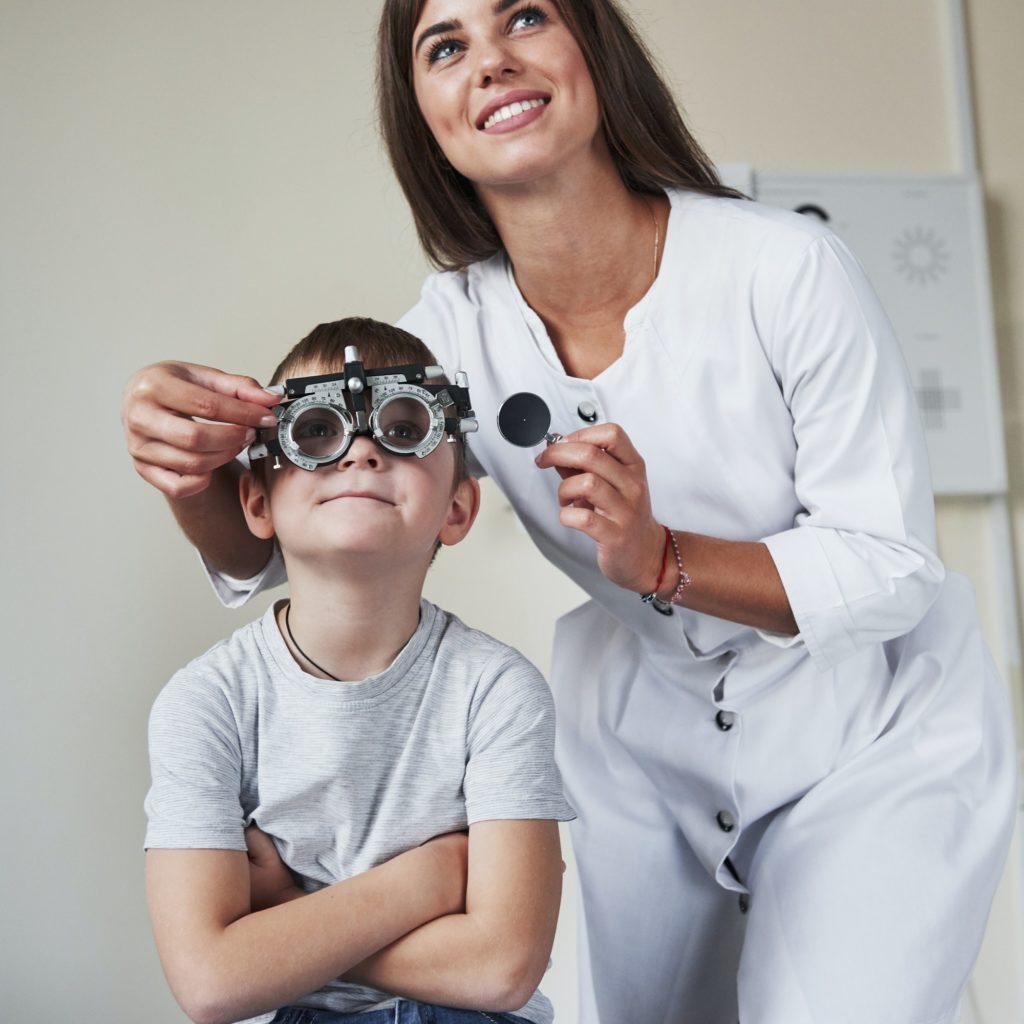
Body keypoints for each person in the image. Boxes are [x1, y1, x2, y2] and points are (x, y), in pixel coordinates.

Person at [124, 2, 1018, 1022]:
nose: (491, 63)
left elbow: (887, 567)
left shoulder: (784, 270)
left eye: (525, 17)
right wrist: (189, 467)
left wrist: (661, 556)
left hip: (870, 723)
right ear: (421, 109)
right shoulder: (446, 342)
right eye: (445, 46)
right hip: (647, 733)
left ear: (593, 46)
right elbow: (292, 539)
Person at [143, 317, 575, 1024]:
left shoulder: (497, 691)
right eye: (317, 431)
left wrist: (285, 914)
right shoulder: (208, 702)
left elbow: (502, 970)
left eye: (406, 428)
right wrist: (429, 880)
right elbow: (209, 982)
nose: (362, 450)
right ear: (256, 501)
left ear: (458, 508)